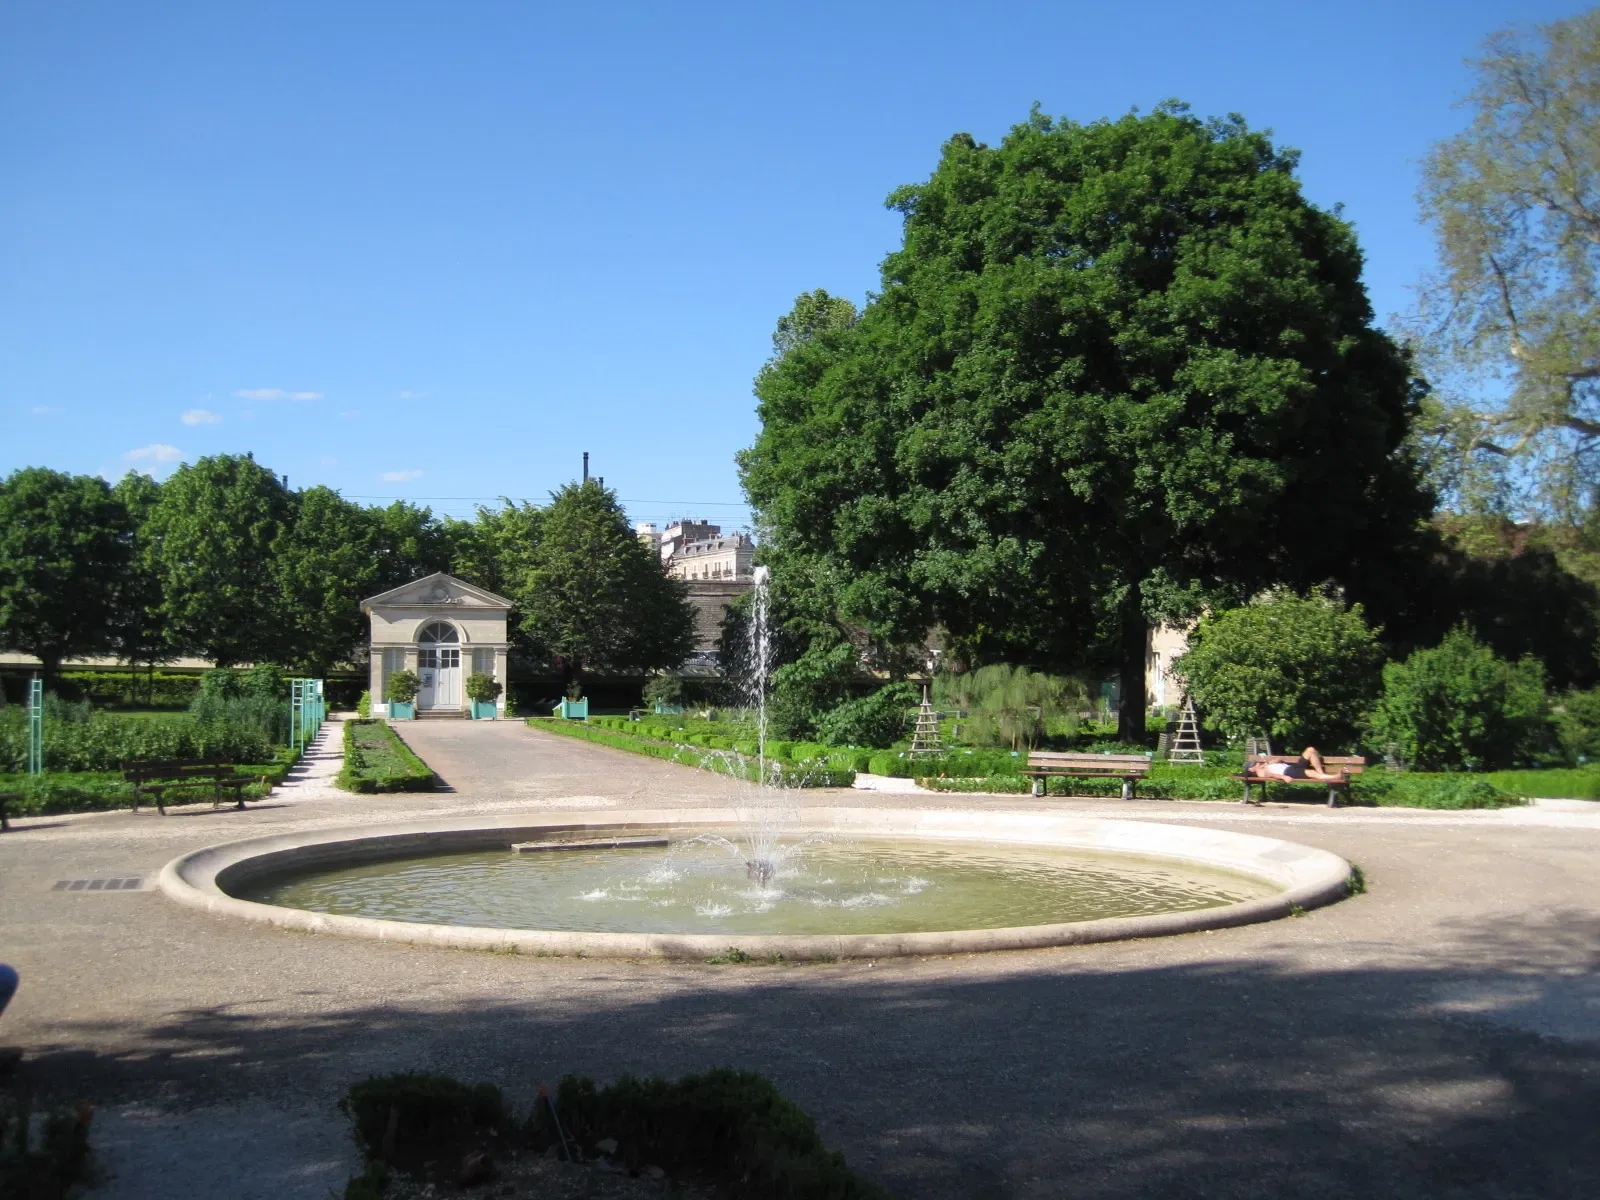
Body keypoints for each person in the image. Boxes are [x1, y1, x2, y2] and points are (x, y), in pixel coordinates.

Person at [1246, 747, 1347, 782]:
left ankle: (1322, 775)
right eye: (1255, 764)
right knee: (1311, 772)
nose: (1257, 763)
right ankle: (1335, 777)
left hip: (1291, 766)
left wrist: (1269, 762)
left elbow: (1280, 759)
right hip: (1288, 772)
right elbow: (1269, 775)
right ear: (1251, 769)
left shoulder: (1265, 765)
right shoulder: (1260, 772)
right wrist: (1284, 777)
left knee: (1310, 750)